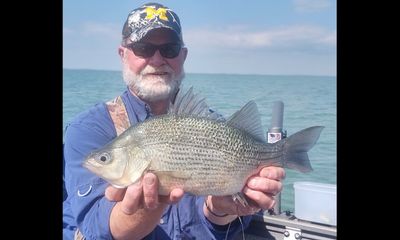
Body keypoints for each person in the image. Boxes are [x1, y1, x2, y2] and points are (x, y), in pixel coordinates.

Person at [63, 2, 285, 240]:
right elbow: (96, 228)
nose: (157, 59)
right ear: (123, 54)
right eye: (143, 48)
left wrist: (220, 209)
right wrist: (141, 213)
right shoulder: (88, 130)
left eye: (169, 48)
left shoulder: (214, 126)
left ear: (183, 55)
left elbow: (212, 225)